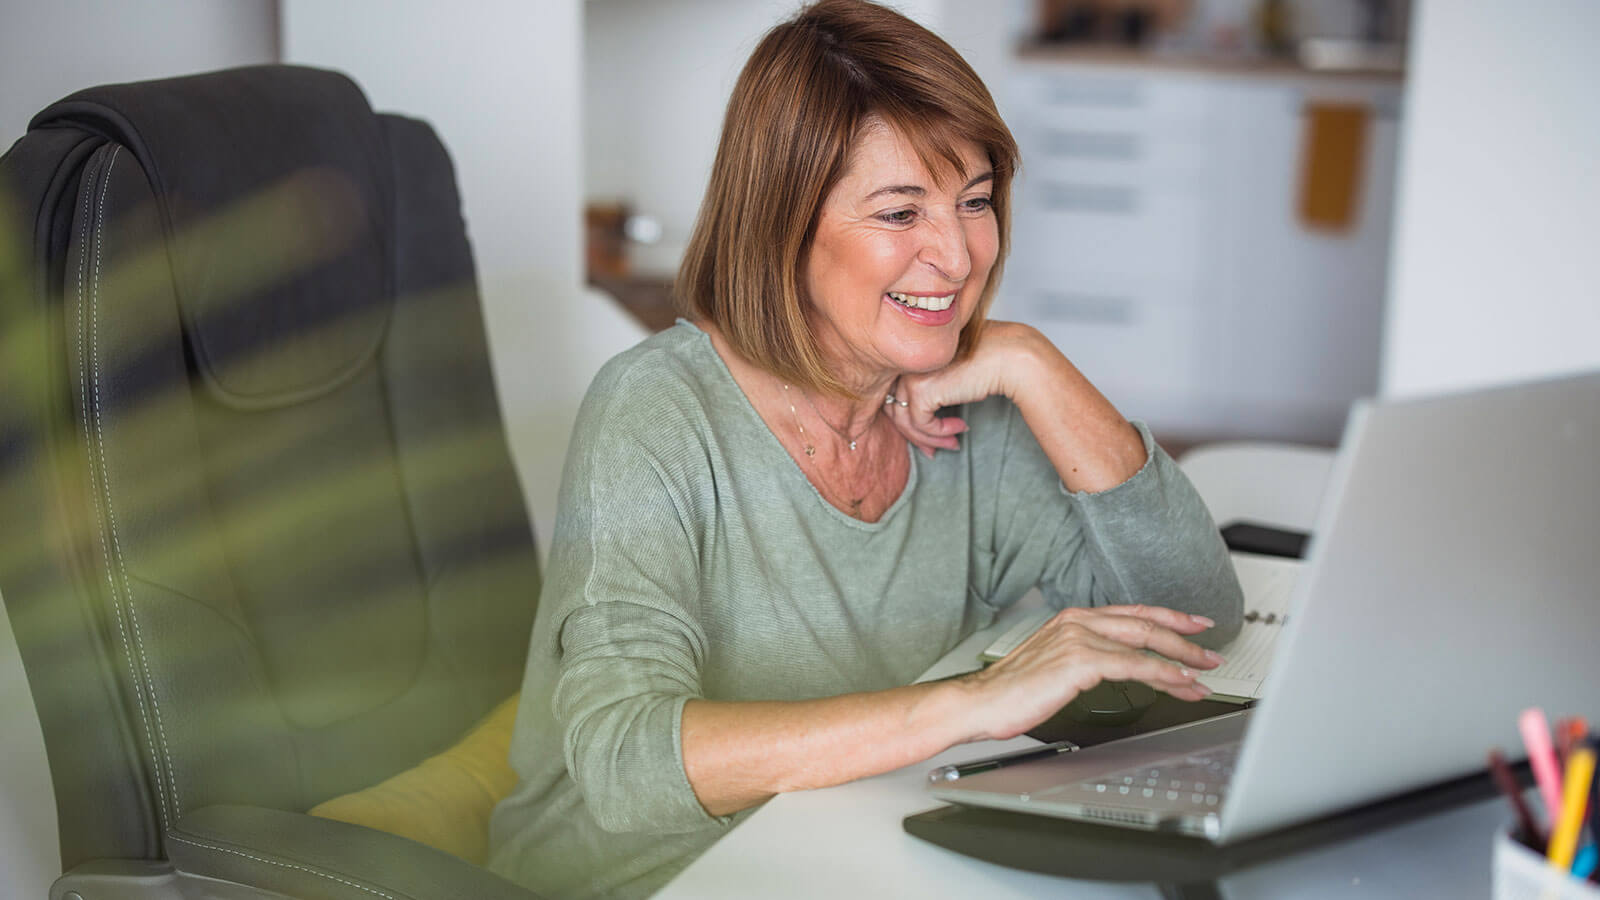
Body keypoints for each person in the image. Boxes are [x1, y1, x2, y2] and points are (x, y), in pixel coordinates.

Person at [488, 1, 1243, 896]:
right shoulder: (655, 410)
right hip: (655, 878)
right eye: (900, 212)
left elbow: (1192, 619)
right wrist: (968, 706)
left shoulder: (969, 410)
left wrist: (1034, 362)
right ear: (783, 224)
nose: (957, 257)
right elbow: (624, 764)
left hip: (857, 850)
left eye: (974, 203)